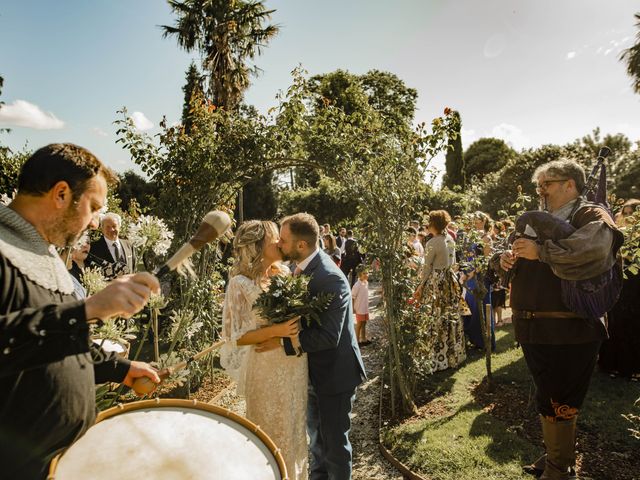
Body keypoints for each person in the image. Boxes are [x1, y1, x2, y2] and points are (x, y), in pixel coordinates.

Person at [0, 143, 161, 479]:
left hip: (54, 461)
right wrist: (89, 308)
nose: (93, 223)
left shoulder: (45, 253)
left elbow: (54, 338)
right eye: (93, 207)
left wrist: (120, 368)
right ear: (61, 194)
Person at [499, 158, 623, 480]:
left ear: (570, 184)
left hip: (571, 329)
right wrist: (507, 259)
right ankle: (556, 456)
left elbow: (594, 250)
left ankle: (560, 468)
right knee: (549, 396)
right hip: (536, 327)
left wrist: (541, 252)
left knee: (561, 398)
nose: (541, 191)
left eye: (547, 184)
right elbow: (523, 263)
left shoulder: (591, 214)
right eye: (538, 185)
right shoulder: (539, 220)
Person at [269, 212, 366, 480]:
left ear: (301, 245)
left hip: (334, 375)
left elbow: (328, 337)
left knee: (334, 447)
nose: (279, 244)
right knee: (316, 443)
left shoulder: (328, 277)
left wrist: (281, 341)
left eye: (284, 240)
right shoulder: (303, 270)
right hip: (314, 373)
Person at [219, 220, 307, 479]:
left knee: (294, 427)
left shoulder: (284, 274)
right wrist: (276, 331)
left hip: (294, 364)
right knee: (271, 429)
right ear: (258, 246)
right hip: (265, 369)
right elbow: (236, 337)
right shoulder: (239, 283)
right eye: (275, 238)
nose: (281, 242)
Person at [415, 210, 466, 371]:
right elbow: (454, 263)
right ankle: (453, 355)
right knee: (449, 314)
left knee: (435, 315)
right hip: (449, 280)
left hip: (437, 282)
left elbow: (426, 268)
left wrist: (420, 286)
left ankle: (435, 359)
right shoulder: (450, 239)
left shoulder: (432, 243)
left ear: (433, 224)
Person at [598, 198, 640, 381]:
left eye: (632, 214)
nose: (628, 217)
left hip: (637, 286)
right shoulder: (616, 235)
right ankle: (612, 364)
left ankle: (634, 367)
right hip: (619, 285)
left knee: (635, 325)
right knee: (616, 324)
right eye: (626, 213)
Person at [88, 212, 137, 279]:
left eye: (114, 226)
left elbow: (134, 269)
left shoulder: (129, 245)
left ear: (119, 227)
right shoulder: (93, 248)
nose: (111, 229)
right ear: (102, 229)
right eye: (108, 227)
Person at [351, 267, 370, 346]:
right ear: (359, 275)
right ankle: (357, 341)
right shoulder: (356, 285)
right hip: (359, 308)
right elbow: (352, 297)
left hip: (365, 307)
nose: (366, 275)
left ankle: (363, 339)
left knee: (364, 323)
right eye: (364, 274)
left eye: (367, 273)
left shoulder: (366, 283)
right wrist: (352, 308)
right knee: (359, 324)